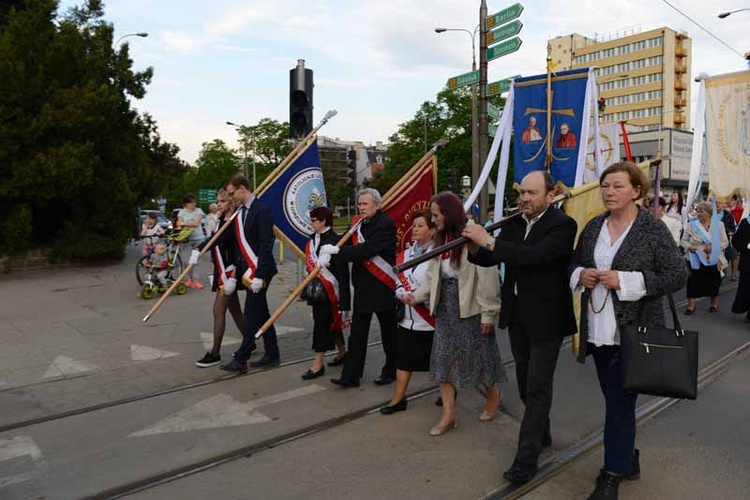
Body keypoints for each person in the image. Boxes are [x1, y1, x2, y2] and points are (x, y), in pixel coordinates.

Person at [570, 161, 686, 500]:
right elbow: (574, 263)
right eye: (605, 185)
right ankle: (628, 458)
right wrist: (581, 275)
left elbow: (677, 275)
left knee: (619, 403)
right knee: (616, 399)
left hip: (637, 332)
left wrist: (627, 280)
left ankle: (613, 472)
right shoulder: (593, 227)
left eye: (618, 186)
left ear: (637, 191)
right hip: (598, 329)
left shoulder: (652, 229)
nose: (609, 191)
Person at [463, 170, 577, 484]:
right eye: (522, 193)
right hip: (518, 317)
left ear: (550, 195)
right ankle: (542, 432)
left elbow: (532, 257)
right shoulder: (514, 223)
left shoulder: (563, 226)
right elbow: (490, 258)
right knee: (527, 382)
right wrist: (473, 245)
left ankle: (525, 461)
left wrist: (487, 239)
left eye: (532, 193)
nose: (524, 199)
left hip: (547, 319)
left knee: (538, 387)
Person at [409, 192, 505, 437]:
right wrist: (417, 295)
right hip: (446, 308)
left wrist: (488, 314)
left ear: (449, 214)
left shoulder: (472, 233)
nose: (433, 219)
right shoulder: (441, 239)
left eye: (436, 214)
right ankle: (449, 415)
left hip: (471, 307)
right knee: (444, 362)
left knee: (478, 358)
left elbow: (487, 275)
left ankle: (493, 394)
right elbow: (433, 277)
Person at [320, 188, 398, 388]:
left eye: (365, 204)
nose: (361, 207)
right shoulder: (358, 224)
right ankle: (351, 376)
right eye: (359, 204)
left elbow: (369, 249)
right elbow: (343, 241)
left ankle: (391, 371)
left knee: (389, 333)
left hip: (382, 285)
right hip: (363, 287)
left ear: (377, 204)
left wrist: (338, 251)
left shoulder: (385, 224)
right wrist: (328, 251)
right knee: (358, 334)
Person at [220, 174, 280, 372]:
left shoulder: (261, 210)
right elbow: (234, 243)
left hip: (261, 271)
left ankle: (241, 358)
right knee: (261, 313)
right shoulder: (240, 212)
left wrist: (260, 275)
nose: (230, 198)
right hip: (248, 271)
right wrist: (199, 249)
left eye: (232, 194)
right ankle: (272, 353)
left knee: (251, 313)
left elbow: (266, 244)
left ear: (242, 189)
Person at [380, 209, 436, 415]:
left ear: (432, 229)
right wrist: (401, 292)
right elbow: (397, 280)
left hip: (430, 320)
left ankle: (449, 393)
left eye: (421, 225)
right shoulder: (405, 254)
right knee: (403, 360)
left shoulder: (439, 253)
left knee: (440, 361)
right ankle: (399, 398)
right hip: (408, 319)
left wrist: (420, 297)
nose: (415, 229)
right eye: (414, 225)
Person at [191, 189, 246, 368]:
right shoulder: (221, 220)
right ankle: (250, 340)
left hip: (230, 273)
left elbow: (239, 250)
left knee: (218, 310)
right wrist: (198, 250)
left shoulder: (234, 221)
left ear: (231, 202)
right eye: (218, 201)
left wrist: (234, 275)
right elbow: (214, 240)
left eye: (222, 201)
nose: (218, 204)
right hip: (221, 271)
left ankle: (215, 353)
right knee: (235, 311)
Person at [301, 206, 350, 380]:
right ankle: (343, 352)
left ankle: (317, 364)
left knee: (321, 325)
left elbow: (344, 275)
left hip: (331, 292)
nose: (311, 223)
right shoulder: (313, 239)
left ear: (323, 221)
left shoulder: (336, 241)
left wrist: (345, 301)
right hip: (318, 291)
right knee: (332, 324)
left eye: (314, 220)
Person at [682, 202, 728, 315]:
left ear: (709, 213)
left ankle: (713, 304)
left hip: (713, 257)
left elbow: (725, 242)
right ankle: (691, 306)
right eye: (698, 211)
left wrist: (714, 248)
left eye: (701, 211)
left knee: (713, 281)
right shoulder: (691, 225)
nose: (699, 214)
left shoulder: (719, 225)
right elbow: (683, 241)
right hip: (695, 257)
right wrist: (690, 247)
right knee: (693, 281)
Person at [177, 194, 206, 290]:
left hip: (198, 238)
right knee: (186, 261)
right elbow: (178, 224)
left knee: (196, 260)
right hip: (186, 238)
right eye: (191, 202)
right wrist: (189, 223)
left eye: (194, 202)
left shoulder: (198, 211)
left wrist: (185, 223)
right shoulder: (182, 212)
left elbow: (196, 223)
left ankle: (196, 280)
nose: (193, 204)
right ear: (186, 204)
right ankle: (189, 278)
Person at [731, 214, 750, 322]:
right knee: (747, 289)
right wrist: (745, 246)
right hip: (747, 262)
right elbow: (736, 240)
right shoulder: (745, 222)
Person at [716, 198, 738, 280]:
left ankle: (733, 274)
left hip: (727, 240)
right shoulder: (711, 215)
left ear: (723, 205)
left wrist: (728, 231)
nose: (717, 204)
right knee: (721, 259)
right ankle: (722, 272)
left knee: (733, 255)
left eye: (719, 202)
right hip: (713, 240)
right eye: (716, 203)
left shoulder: (728, 215)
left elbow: (733, 229)